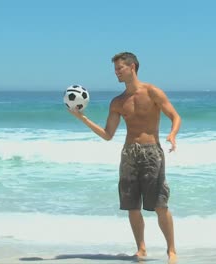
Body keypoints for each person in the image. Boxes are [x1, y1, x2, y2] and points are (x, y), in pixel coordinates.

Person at [68, 52, 181, 261]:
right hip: (129, 153)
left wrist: (172, 134)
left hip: (151, 153)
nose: (117, 73)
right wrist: (81, 117)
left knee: (159, 204)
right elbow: (107, 134)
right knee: (131, 205)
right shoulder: (118, 102)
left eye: (120, 68)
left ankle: (171, 250)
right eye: (115, 70)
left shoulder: (152, 92)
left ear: (132, 67)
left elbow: (175, 116)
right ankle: (141, 248)